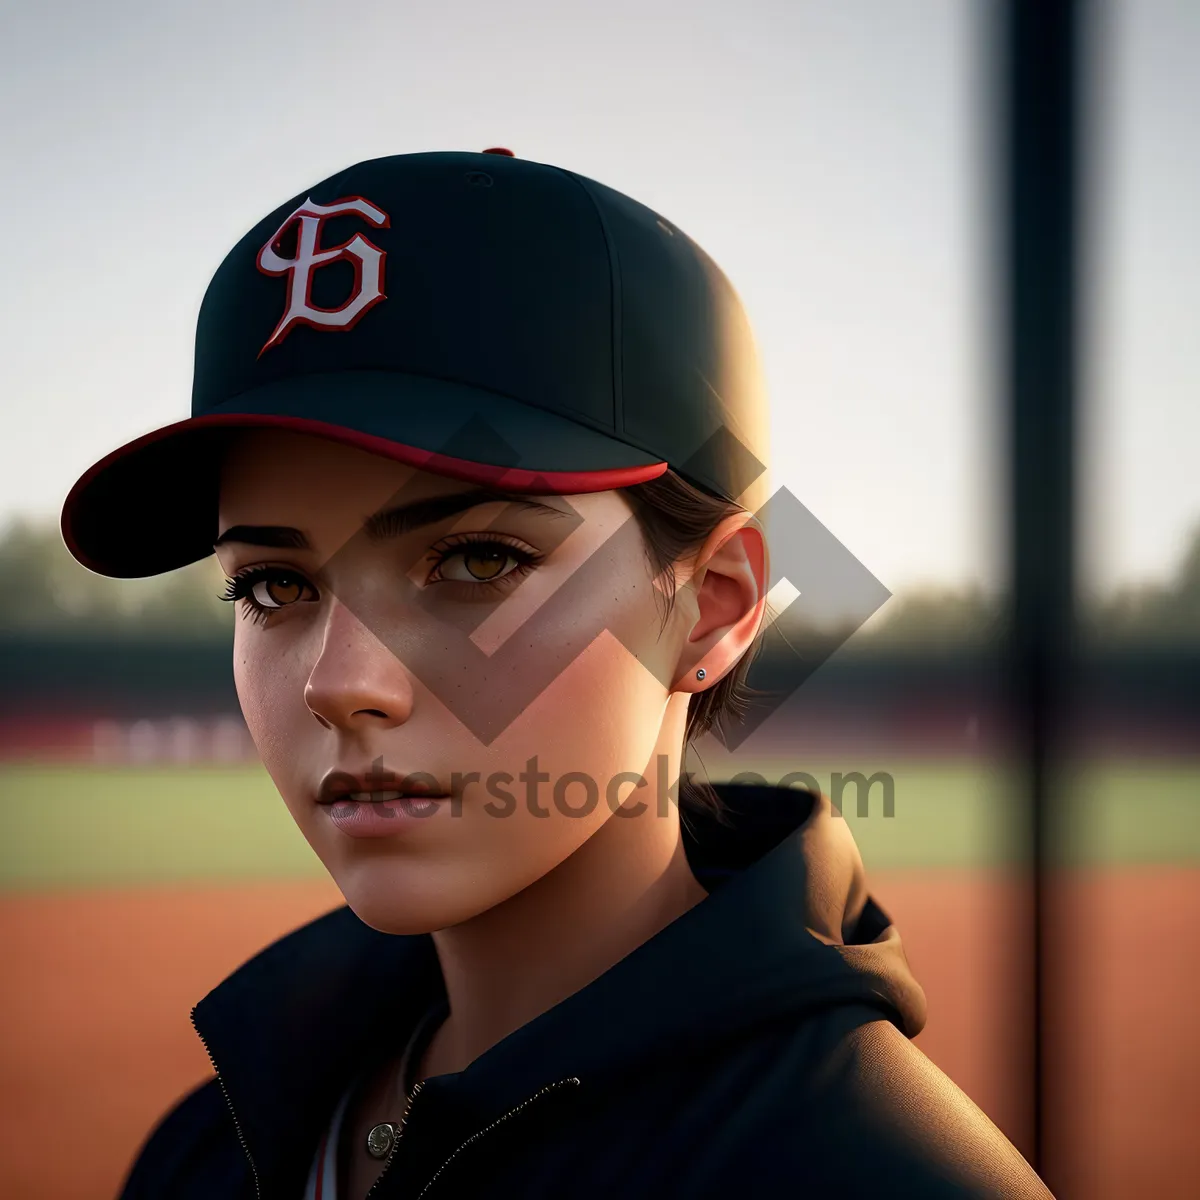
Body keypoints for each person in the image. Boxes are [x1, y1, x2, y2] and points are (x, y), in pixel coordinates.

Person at [61, 149, 1052, 1199]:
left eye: (480, 560)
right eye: (269, 585)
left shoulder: (879, 1179)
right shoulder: (209, 1151)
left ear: (715, 604)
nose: (340, 683)